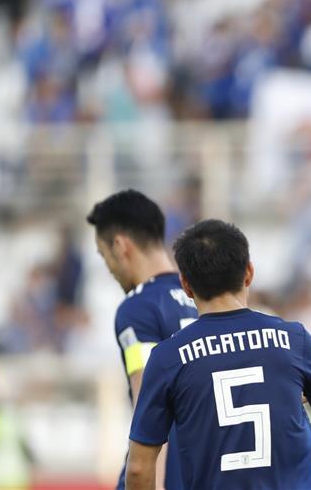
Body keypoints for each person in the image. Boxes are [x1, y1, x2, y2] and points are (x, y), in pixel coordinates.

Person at [126, 219, 311, 490]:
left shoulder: (167, 357)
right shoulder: (293, 338)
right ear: (249, 273)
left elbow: (138, 468)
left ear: (186, 285)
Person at [87, 189, 198, 490]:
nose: (108, 268)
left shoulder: (138, 309)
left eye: (104, 255)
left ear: (121, 246)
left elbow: (151, 405)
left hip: (165, 475)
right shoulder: (204, 294)